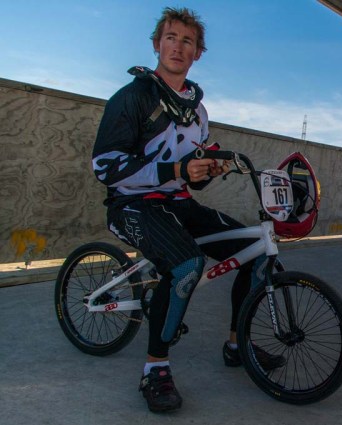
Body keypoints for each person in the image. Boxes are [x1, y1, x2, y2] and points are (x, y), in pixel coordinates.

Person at [92, 7, 284, 413]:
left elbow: (191, 178)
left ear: (198, 53)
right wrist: (177, 170)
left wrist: (205, 170)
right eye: (171, 38)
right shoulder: (131, 98)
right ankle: (155, 369)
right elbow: (105, 166)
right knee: (186, 265)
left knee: (253, 253)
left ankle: (238, 345)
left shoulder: (197, 110)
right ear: (156, 44)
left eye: (188, 41)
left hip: (178, 203)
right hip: (131, 204)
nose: (178, 47)